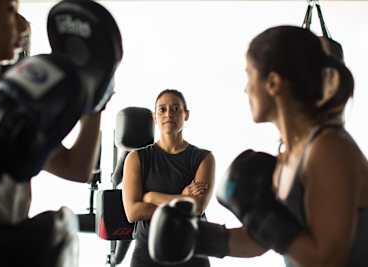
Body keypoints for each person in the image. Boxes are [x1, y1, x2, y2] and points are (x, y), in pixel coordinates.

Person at [149, 25, 367, 267]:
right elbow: (260, 242)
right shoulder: (289, 154)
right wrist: (197, 238)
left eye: (249, 75)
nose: (246, 88)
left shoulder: (328, 149)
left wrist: (263, 218)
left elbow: (328, 260)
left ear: (273, 82)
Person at [0, 0, 101, 224]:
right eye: (10, 10)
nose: (19, 26)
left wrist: (94, 98)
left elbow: (76, 168)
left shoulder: (9, 103)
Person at [122, 89, 216, 267]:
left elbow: (197, 207)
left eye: (175, 109)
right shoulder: (136, 158)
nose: (168, 114)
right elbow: (133, 212)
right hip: (147, 256)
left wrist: (151, 197)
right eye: (162, 109)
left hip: (192, 253)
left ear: (185, 114)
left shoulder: (204, 158)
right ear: (154, 116)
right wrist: (183, 198)